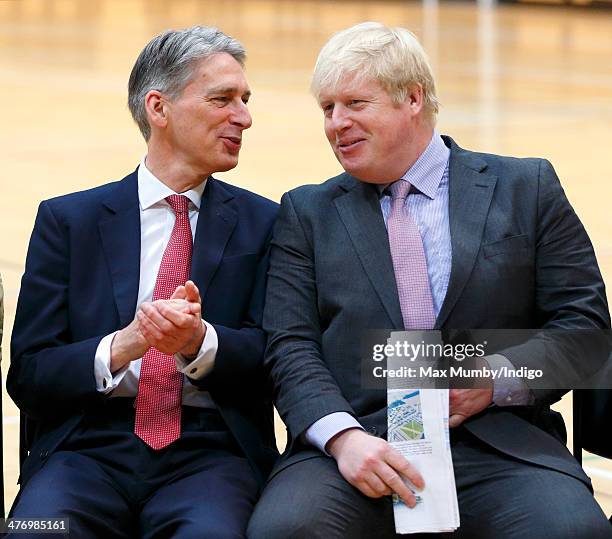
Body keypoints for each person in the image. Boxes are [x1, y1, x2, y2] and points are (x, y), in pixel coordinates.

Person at [248, 22, 612, 539]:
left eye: (354, 103)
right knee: (285, 530)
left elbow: (584, 331)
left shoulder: (526, 188)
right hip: (358, 444)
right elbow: (289, 347)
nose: (335, 123)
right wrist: (344, 439)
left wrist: (494, 378)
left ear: (413, 98)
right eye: (327, 108)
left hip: (502, 443)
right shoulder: (305, 212)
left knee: (573, 531)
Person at [8, 26, 278, 538]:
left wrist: (200, 343)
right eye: (222, 99)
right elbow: (29, 375)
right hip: (85, 450)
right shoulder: (69, 221)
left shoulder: (267, 223)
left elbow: (277, 359)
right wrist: (125, 345)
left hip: (210, 456)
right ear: (159, 107)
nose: (244, 117)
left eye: (245, 100)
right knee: (37, 532)